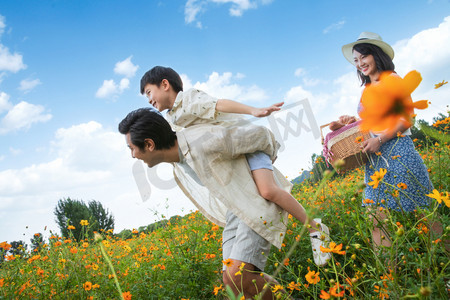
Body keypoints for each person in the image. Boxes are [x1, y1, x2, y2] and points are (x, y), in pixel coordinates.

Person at [139, 66, 331, 266]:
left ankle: (315, 228)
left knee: (267, 191)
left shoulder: (188, 100)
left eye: (149, 92)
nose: (149, 100)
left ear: (164, 84)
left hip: (247, 144)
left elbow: (219, 104)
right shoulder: (170, 119)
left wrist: (253, 110)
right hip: (230, 156)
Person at [119, 108, 297, 299]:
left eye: (132, 148)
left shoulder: (200, 141)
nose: (133, 155)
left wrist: (267, 162)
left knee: (238, 276)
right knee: (231, 282)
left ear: (149, 144)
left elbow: (259, 134)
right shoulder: (178, 156)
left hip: (254, 201)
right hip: (235, 209)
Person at [335, 32, 436, 249]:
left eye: (364, 56)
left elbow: (406, 118)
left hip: (400, 153)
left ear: (376, 54)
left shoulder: (393, 79)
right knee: (376, 218)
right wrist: (351, 121)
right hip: (374, 162)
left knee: (426, 214)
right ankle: (390, 279)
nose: (360, 63)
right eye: (356, 60)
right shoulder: (366, 90)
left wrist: (380, 139)